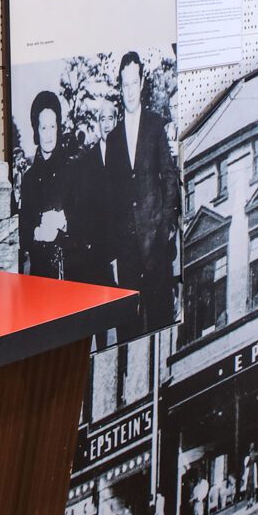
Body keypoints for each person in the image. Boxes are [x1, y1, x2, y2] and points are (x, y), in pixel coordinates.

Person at [100, 51, 177, 331]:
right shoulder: (113, 138)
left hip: (156, 244)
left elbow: (169, 176)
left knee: (160, 318)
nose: (130, 91)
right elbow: (109, 195)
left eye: (134, 83)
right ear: (120, 87)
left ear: (142, 83)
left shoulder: (156, 126)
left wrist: (167, 226)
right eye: (125, 84)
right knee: (129, 326)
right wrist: (113, 246)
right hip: (127, 249)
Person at [18, 90, 74, 282]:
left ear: (58, 128)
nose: (49, 134)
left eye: (52, 126)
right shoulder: (29, 180)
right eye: (44, 128)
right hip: (40, 275)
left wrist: (65, 222)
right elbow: (23, 232)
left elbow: (87, 223)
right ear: (36, 131)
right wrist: (37, 232)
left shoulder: (72, 171)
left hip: (71, 274)